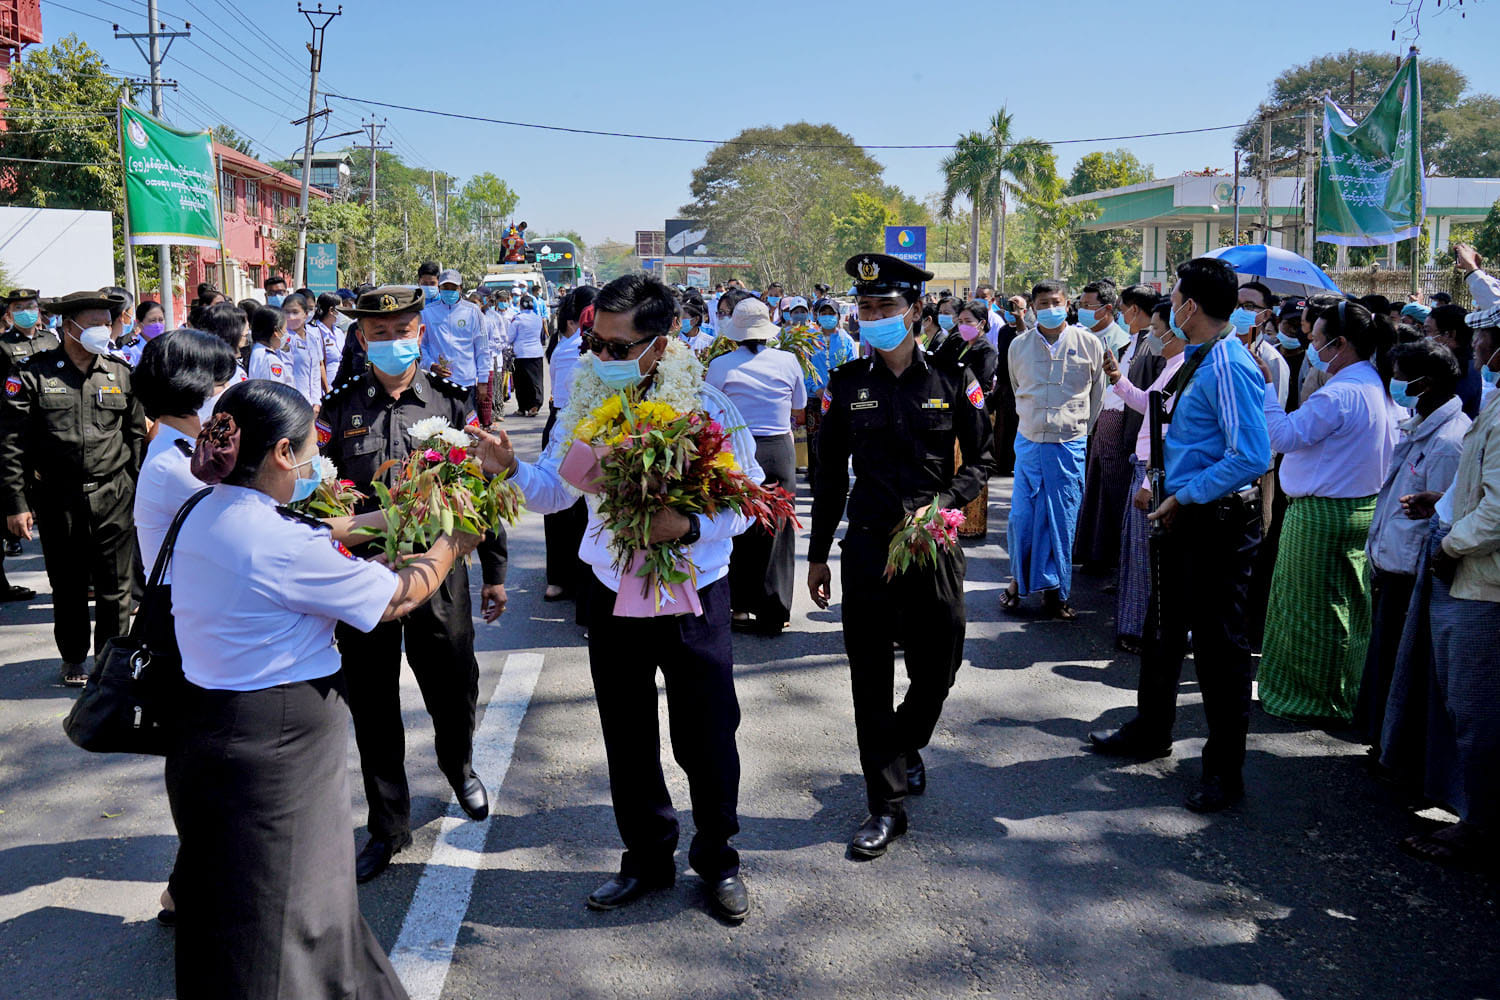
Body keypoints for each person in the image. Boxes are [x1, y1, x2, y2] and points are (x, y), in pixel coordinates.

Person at [168, 378, 476, 999]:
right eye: (310, 449)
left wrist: (396, 517)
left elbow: (328, 541)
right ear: (284, 454)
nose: (314, 461)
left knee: (237, 895)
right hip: (274, 746)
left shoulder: (207, 509)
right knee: (288, 907)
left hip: (208, 726)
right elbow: (398, 597)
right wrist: (453, 540)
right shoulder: (281, 542)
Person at [477, 273, 759, 922]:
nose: (597, 358)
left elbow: (744, 503)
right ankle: (648, 859)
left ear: (660, 345)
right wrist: (512, 470)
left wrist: (685, 526)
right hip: (609, 593)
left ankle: (718, 862)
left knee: (708, 739)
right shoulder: (582, 403)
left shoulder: (710, 407)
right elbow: (555, 492)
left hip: (693, 597)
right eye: (591, 342)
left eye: (614, 347)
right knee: (627, 739)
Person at [315, 286, 509, 883]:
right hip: (364, 579)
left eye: (402, 330)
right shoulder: (337, 409)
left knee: (454, 684)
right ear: (361, 338)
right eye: (379, 333)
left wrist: (495, 573)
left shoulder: (451, 403)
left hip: (440, 572)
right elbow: (317, 494)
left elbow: (484, 490)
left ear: (420, 333)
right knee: (372, 702)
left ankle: (459, 764)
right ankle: (387, 823)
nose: (392, 341)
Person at [808, 253, 993, 857]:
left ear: (915, 310)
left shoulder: (951, 379)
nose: (874, 317)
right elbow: (831, 476)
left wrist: (946, 503)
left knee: (941, 662)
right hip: (866, 543)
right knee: (869, 675)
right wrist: (816, 555)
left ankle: (905, 743)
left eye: (886, 307)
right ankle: (883, 805)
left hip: (932, 542)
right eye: (865, 308)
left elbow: (987, 458)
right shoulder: (845, 385)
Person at [1088, 257, 1272, 814]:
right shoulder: (1195, 358)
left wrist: (1185, 495)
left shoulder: (1229, 365)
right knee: (1163, 631)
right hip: (1178, 514)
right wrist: (1159, 483)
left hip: (1215, 523)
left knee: (1220, 651)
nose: (1171, 302)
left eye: (1177, 294)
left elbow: (1252, 455)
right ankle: (1151, 729)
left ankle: (1224, 772)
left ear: (1193, 304)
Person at [1256, 298, 1400, 722]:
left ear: (1340, 344)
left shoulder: (1340, 394)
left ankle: (1308, 696)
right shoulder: (1377, 385)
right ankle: (1342, 690)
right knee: (1346, 606)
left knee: (1307, 609)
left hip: (1321, 516)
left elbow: (1282, 437)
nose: (1311, 346)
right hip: (1359, 510)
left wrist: (1265, 388)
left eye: (1316, 339)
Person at [0, 290, 145, 686]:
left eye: (106, 322)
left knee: (116, 586)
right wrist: (16, 503)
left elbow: (134, 436)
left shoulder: (118, 371)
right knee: (67, 583)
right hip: (57, 496)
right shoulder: (33, 374)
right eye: (95, 323)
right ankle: (74, 657)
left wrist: (134, 488)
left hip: (113, 493)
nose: (104, 329)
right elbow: (11, 443)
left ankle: (110, 661)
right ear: (69, 327)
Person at [1355, 340, 1469, 746]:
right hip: (1392, 562)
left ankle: (1393, 750)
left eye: (1401, 377)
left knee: (1403, 669)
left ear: (1427, 384)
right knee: (1385, 662)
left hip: (1414, 570)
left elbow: (1441, 518)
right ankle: (1381, 743)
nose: (1394, 384)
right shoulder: (1420, 424)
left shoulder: (1451, 442)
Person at [1000, 279, 1107, 620]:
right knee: (1023, 518)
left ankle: (1058, 593)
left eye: (1055, 302)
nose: (1049, 309)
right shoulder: (1018, 346)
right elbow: (1017, 388)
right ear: (1032, 308)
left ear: (1068, 304)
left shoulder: (1090, 344)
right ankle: (1018, 581)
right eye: (1042, 303)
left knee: (1062, 520)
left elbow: (1097, 396)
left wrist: (1077, 432)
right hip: (1030, 441)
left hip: (1069, 444)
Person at [707, 297, 806, 634]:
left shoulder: (721, 365)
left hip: (736, 449)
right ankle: (776, 609)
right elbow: (799, 405)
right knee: (778, 527)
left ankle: (738, 606)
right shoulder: (788, 360)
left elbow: (710, 410)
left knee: (736, 525)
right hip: (778, 448)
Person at [1105, 299, 1179, 653]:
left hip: (1155, 474)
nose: (1152, 335)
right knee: (1137, 557)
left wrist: (1150, 481)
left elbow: (1171, 433)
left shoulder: (1185, 369)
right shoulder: (1172, 366)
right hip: (1148, 469)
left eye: (1156, 328)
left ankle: (1146, 631)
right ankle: (1140, 628)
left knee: (1147, 562)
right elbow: (1149, 405)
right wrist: (1118, 380)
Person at [1074, 279, 1146, 574]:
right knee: (1095, 491)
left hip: (1117, 426)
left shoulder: (1121, 340)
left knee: (1114, 494)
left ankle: (1113, 558)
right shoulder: (1080, 334)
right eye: (1079, 305)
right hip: (1095, 421)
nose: (1081, 311)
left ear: (1107, 309)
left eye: (1086, 306)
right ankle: (1096, 552)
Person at [541, 286, 595, 610]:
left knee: (564, 510)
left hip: (565, 421)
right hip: (571, 424)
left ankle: (559, 579)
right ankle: (566, 578)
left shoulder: (562, 344)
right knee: (573, 508)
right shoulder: (575, 349)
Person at [0, 287, 58, 578]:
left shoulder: (51, 340)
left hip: (49, 423)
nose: (27, 311)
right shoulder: (3, 346)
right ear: (9, 313)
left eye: (32, 306)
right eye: (20, 307)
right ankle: (14, 534)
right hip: (18, 421)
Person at [421, 268, 492, 416]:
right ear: (439, 288)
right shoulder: (427, 312)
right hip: (438, 383)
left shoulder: (473, 312)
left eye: (453, 287)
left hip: (466, 382)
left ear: (460, 288)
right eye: (445, 287)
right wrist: (430, 365)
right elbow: (422, 345)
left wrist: (483, 381)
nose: (449, 291)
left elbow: (482, 348)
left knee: (469, 431)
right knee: (441, 432)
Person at [1423, 305, 1483, 418]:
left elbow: (1437, 413)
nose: (1426, 337)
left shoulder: (1460, 370)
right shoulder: (1459, 363)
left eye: (1428, 331)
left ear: (1450, 334)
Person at [278, 292, 325, 407]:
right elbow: (286, 373)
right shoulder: (283, 340)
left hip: (312, 403)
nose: (290, 317)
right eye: (286, 312)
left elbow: (316, 371)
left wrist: (316, 401)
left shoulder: (312, 338)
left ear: (306, 314)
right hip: (292, 403)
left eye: (295, 312)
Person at [508, 293, 546, 416]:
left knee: (521, 382)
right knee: (536, 381)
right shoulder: (537, 318)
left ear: (520, 305)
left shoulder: (517, 319)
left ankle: (522, 408)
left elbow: (510, 337)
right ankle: (535, 405)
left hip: (521, 354)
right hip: (536, 353)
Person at [247, 305, 295, 387]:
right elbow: (275, 392)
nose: (286, 332)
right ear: (276, 331)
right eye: (285, 328)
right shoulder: (270, 359)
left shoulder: (257, 351)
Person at [311, 292, 345, 385]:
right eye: (341, 309)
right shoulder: (314, 332)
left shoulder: (339, 332)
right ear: (331, 310)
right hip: (323, 389)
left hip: (340, 388)